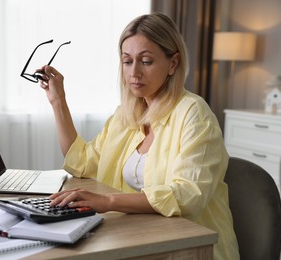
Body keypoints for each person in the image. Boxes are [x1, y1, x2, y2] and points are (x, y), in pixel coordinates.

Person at [35, 13, 239, 260]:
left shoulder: (194, 113)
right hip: (140, 236)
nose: (134, 73)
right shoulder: (126, 114)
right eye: (127, 61)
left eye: (146, 61)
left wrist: (109, 201)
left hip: (192, 247)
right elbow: (83, 163)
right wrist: (58, 100)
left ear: (173, 64)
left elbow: (187, 196)